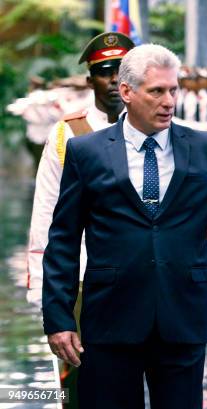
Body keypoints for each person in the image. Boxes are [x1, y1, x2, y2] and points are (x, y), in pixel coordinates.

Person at [42, 44, 207, 408]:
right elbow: (64, 239)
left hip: (181, 318)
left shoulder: (203, 149)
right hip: (110, 321)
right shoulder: (86, 152)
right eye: (156, 91)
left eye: (173, 90)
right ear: (127, 92)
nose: (169, 101)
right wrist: (58, 318)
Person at [27, 32, 135, 306]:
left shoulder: (155, 130)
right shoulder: (69, 133)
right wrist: (41, 285)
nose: (114, 80)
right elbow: (46, 208)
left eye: (121, 72)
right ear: (90, 81)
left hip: (142, 274)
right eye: (104, 72)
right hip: (86, 273)